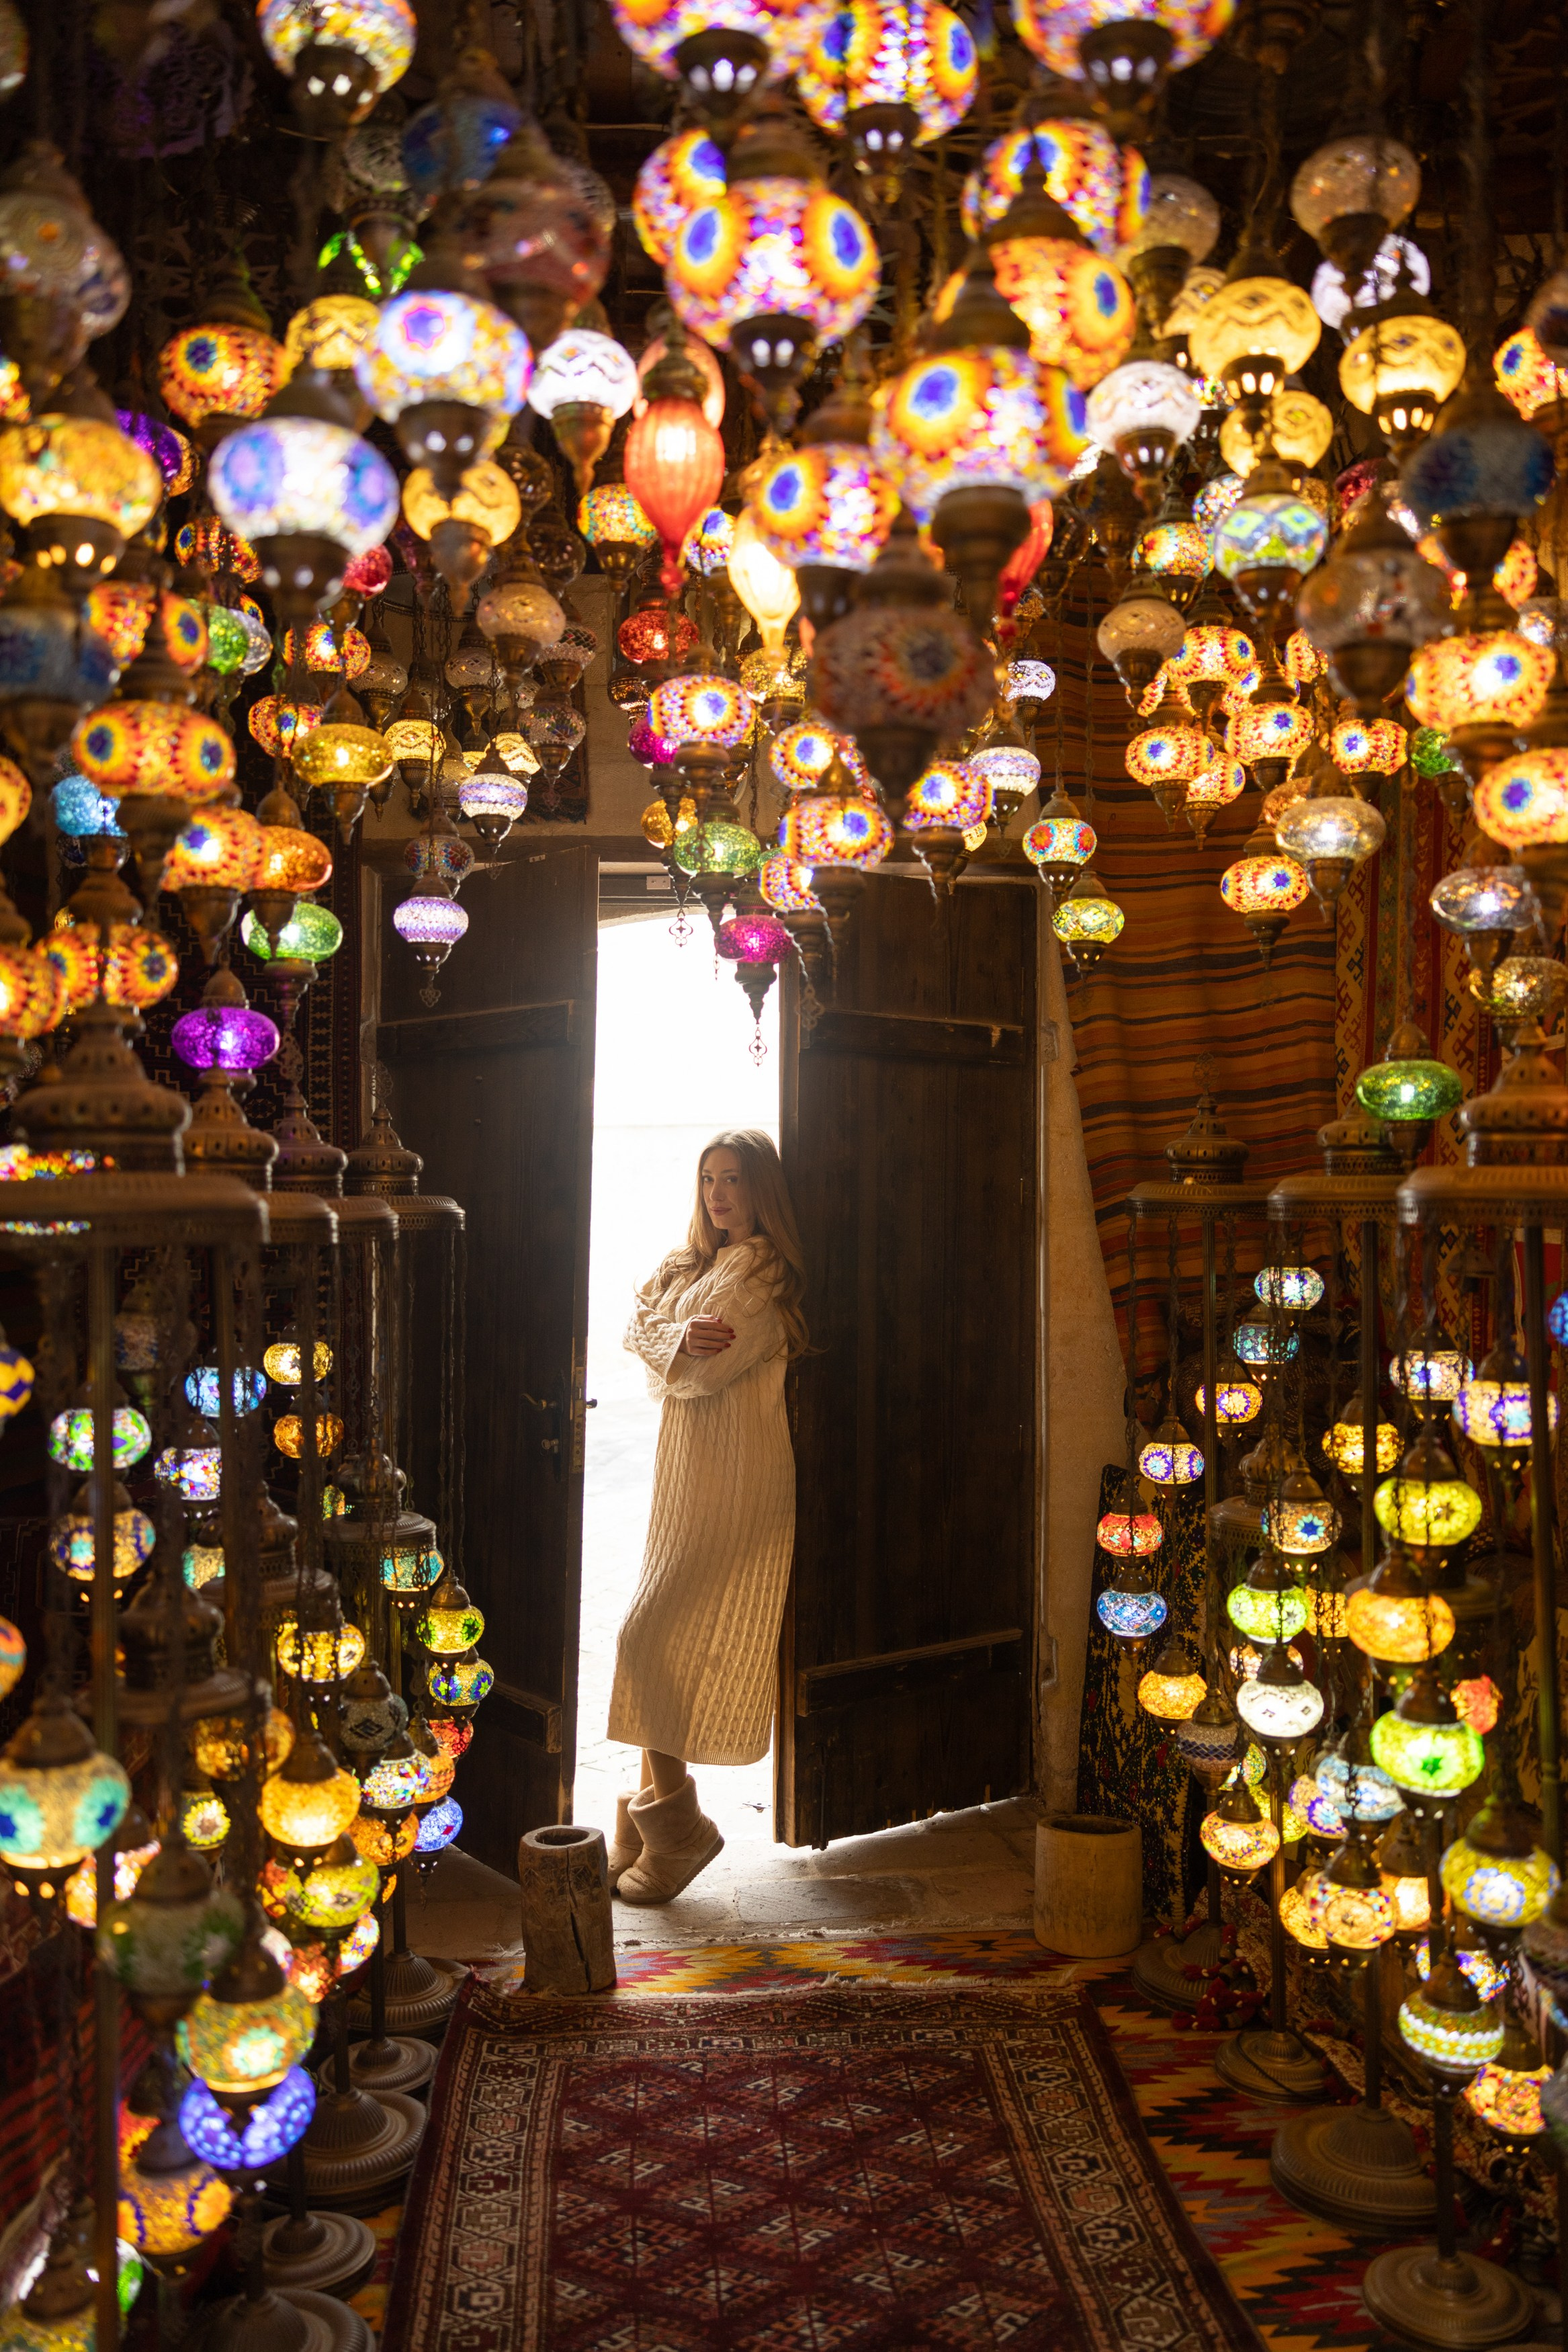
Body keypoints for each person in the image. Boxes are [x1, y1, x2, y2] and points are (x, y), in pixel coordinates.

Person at [605, 1128, 808, 1902]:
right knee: (660, 1638)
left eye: (734, 1179)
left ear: (762, 1190)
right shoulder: (695, 1262)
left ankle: (678, 1826)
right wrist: (668, 1335)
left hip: (736, 1476)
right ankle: (643, 1825)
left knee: (646, 1632)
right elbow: (636, 1328)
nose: (719, 1193)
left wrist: (671, 1344)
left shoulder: (761, 1272)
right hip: (686, 1474)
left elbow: (698, 1373)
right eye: (709, 1179)